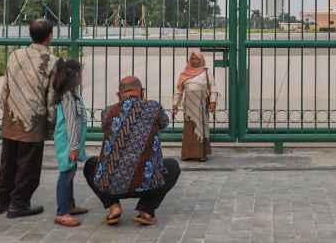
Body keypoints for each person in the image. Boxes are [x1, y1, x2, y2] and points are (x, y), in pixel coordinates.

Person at [84, 76, 180, 226]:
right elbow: (164, 123)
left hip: (111, 186)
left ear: (118, 94)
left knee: (91, 164)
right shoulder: (154, 108)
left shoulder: (108, 112)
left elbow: (105, 127)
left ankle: (114, 207)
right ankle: (146, 209)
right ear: (142, 92)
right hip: (147, 185)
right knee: (172, 166)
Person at [0, 19, 58, 218]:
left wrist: (5, 109)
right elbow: (51, 95)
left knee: (8, 161)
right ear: (50, 37)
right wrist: (51, 120)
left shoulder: (15, 55)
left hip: (12, 114)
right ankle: (19, 204)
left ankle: (1, 202)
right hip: (33, 118)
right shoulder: (51, 60)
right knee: (28, 164)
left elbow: (6, 87)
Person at [52, 59, 88, 227]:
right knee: (65, 174)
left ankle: (70, 205)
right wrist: (73, 146)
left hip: (71, 140)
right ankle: (62, 212)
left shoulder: (72, 93)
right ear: (77, 75)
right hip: (67, 141)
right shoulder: (67, 96)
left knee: (70, 172)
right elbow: (71, 122)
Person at [172, 52, 218, 162]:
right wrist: (175, 104)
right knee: (190, 128)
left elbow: (213, 88)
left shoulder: (206, 72)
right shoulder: (184, 73)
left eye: (196, 59)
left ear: (201, 60)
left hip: (201, 105)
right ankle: (188, 154)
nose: (193, 61)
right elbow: (179, 91)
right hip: (189, 106)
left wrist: (213, 102)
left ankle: (202, 154)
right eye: (192, 59)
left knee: (201, 127)